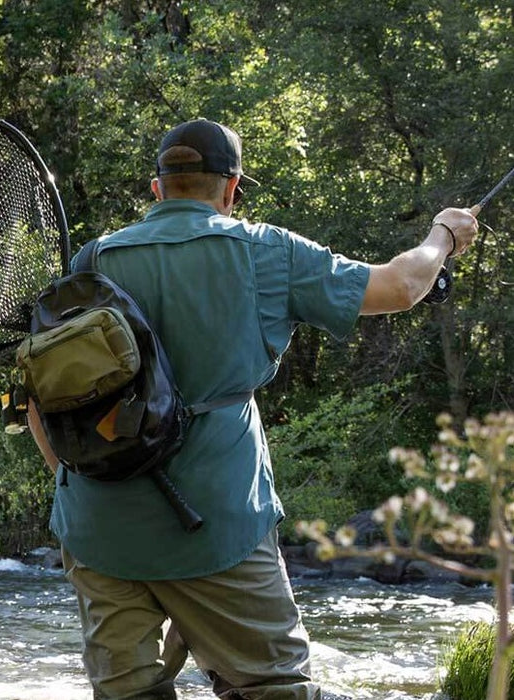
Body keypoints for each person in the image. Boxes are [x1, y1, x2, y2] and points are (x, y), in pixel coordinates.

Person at [27, 118, 478, 700]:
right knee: (275, 690)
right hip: (215, 522)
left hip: (96, 523)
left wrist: (74, 488)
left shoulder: (92, 259)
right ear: (232, 188)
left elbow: (42, 397)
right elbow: (401, 285)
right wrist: (443, 234)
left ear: (157, 188)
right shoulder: (266, 252)